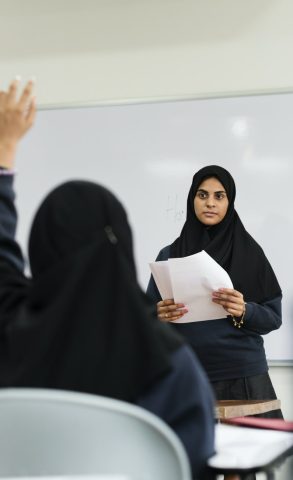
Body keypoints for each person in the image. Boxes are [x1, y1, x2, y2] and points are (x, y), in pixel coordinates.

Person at [0, 79, 215, 480]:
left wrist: (3, 151)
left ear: (39, 248)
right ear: (124, 244)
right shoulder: (168, 364)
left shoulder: (9, 333)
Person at [147, 165, 283, 418]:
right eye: (202, 195)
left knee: (253, 454)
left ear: (229, 202)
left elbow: (273, 317)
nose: (210, 203)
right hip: (188, 373)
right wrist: (157, 315)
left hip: (243, 375)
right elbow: (146, 320)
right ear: (192, 200)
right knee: (193, 455)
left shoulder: (250, 254)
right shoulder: (168, 255)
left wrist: (244, 310)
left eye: (219, 196)